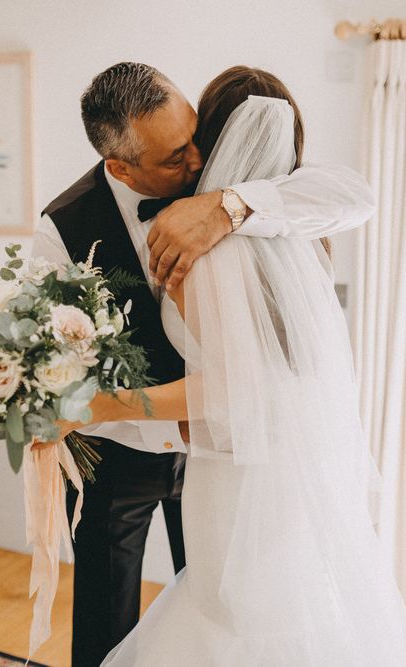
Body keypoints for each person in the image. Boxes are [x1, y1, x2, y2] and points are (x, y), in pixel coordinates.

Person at [41, 67, 406, 665]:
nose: (193, 165)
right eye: (175, 157)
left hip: (230, 457)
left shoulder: (253, 205)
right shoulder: (63, 231)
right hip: (129, 456)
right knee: (111, 617)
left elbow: (357, 195)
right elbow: (66, 366)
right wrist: (160, 425)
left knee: (225, 614)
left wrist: (228, 204)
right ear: (122, 167)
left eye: (196, 142)